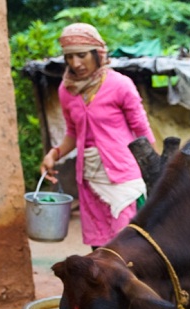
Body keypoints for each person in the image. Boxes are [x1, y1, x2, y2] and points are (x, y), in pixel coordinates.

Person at [40, 23, 155, 249]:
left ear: (97, 53)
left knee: (128, 246)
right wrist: (53, 154)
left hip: (123, 176)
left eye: (82, 55)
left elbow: (141, 129)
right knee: (101, 248)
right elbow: (73, 133)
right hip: (90, 179)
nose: (76, 64)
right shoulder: (67, 90)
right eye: (70, 57)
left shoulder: (120, 85)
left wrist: (155, 167)